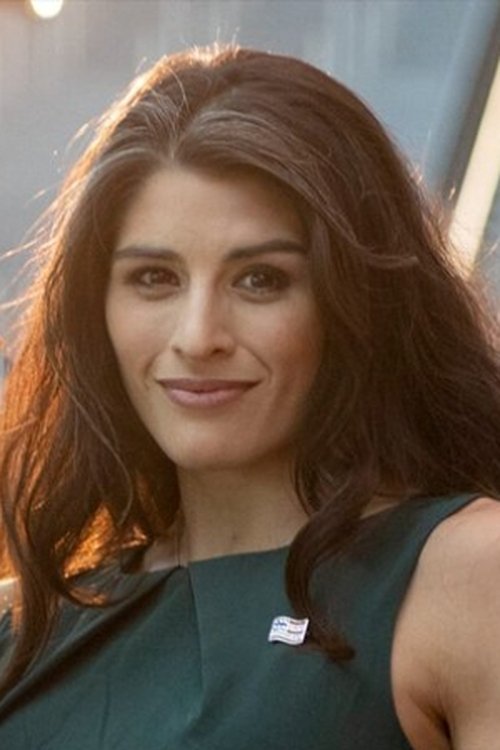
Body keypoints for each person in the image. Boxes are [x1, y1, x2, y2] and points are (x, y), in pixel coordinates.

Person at [1, 43, 500, 750]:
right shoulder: (25, 630)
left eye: (260, 280)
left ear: (356, 300)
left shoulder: (467, 575)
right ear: (94, 309)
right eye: (154, 279)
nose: (199, 336)